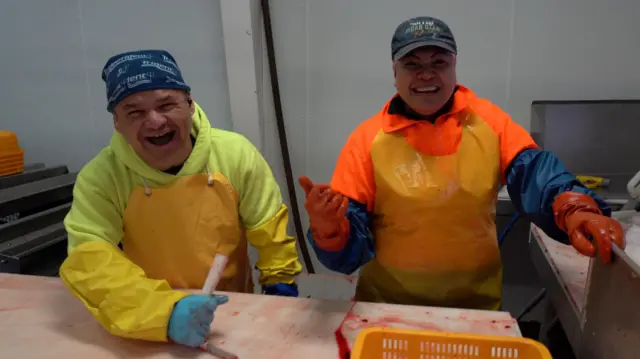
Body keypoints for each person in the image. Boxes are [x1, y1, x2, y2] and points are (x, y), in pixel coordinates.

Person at [298, 17, 625, 311]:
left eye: (438, 62)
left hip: (475, 308)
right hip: (388, 309)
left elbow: (536, 173)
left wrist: (574, 206)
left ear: (454, 67)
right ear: (395, 73)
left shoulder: (489, 123)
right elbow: (348, 249)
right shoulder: (366, 140)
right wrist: (329, 229)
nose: (426, 74)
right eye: (412, 64)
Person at [59, 50, 302, 348]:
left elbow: (270, 233)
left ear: (189, 103)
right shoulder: (101, 177)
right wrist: (162, 313)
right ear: (117, 123)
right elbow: (91, 261)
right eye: (134, 112)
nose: (155, 121)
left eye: (166, 104)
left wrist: (280, 290)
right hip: (142, 316)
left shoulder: (235, 155)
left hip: (229, 312)